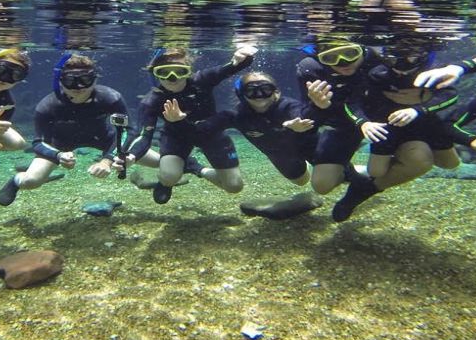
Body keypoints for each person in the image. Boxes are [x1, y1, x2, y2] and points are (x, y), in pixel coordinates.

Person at [0, 54, 157, 205]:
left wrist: (108, 159)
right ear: (60, 81)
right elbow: (38, 143)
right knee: (31, 181)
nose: (78, 87)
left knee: (159, 162)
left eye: (85, 79)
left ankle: (167, 182)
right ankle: (16, 181)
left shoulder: (110, 98)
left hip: (105, 139)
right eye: (70, 80)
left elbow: (128, 131)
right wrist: (57, 155)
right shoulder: (48, 106)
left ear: (94, 80)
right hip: (59, 144)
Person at [333, 41, 461, 221]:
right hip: (390, 125)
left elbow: (451, 95)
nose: (400, 67)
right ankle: (362, 189)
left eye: (408, 59)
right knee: (379, 170)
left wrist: (419, 108)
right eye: (393, 59)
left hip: (426, 123)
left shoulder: (434, 72)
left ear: (423, 56)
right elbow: (354, 101)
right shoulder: (377, 74)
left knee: (450, 163)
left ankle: (362, 186)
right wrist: (363, 123)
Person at [125, 45, 257, 204]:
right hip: (176, 137)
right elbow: (144, 137)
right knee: (169, 177)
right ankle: (170, 177)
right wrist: (132, 155)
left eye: (179, 71)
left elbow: (233, 67)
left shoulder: (201, 80)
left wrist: (242, 57)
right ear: (156, 74)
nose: (172, 78)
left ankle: (195, 167)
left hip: (210, 133)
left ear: (189, 71)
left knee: (234, 186)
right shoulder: (152, 101)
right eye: (164, 72)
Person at [191, 72, 335, 190]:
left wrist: (314, 110)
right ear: (241, 94)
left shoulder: (287, 106)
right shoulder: (237, 116)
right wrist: (179, 121)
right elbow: (203, 129)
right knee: (301, 181)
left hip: (310, 145)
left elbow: (301, 113)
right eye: (251, 90)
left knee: (341, 175)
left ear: (276, 91)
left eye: (265, 89)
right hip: (282, 155)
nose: (259, 94)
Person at [295, 38, 383, 208]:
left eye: (350, 54)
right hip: (341, 126)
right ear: (320, 57)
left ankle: (372, 184)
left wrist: (450, 68)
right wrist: (318, 107)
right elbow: (308, 118)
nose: (343, 62)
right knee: (322, 185)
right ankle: (351, 175)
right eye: (331, 57)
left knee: (382, 169)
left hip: (380, 120)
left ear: (362, 50)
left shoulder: (374, 58)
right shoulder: (311, 69)